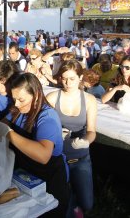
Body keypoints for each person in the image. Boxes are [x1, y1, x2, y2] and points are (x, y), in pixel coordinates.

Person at [0, 73, 69, 217]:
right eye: (14, 99)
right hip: (24, 176)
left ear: (36, 95)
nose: (16, 104)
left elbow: (43, 155)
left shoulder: (47, 117)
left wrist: (9, 134)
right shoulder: (17, 111)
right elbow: (2, 126)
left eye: (21, 99)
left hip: (48, 181)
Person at [46, 60, 97, 217]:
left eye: (72, 78)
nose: (68, 83)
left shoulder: (89, 100)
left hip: (81, 158)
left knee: (87, 204)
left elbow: (91, 131)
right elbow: (42, 127)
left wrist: (86, 141)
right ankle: (70, 199)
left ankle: (73, 197)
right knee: (61, 207)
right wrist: (55, 133)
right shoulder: (53, 97)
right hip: (58, 158)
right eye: (64, 78)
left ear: (80, 77)